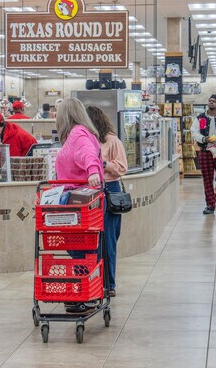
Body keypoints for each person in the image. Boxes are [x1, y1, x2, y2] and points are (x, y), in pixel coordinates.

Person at [55, 98, 103, 313]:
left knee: (80, 250)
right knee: (78, 249)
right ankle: (82, 292)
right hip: (74, 201)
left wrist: (93, 171)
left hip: (80, 202)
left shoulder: (78, 134)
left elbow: (88, 155)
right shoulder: (73, 135)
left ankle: (84, 293)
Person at [86, 106, 127, 297]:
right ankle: (94, 281)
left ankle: (109, 284)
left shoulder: (112, 141)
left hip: (110, 190)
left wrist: (101, 163)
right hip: (91, 191)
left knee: (109, 238)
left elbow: (121, 168)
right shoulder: (86, 141)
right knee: (92, 240)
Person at [190, 92, 216, 214]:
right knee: (207, 179)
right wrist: (203, 139)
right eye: (209, 100)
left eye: (213, 101)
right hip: (205, 151)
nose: (210, 102)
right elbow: (194, 132)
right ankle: (210, 205)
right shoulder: (200, 118)